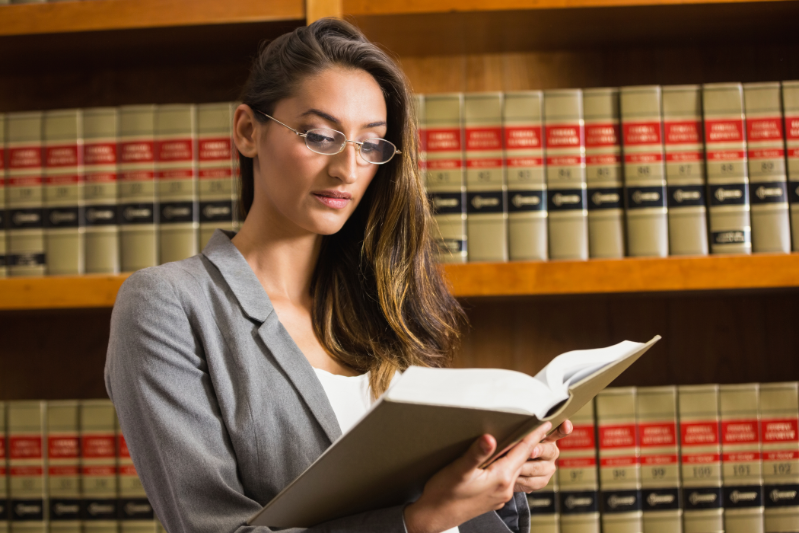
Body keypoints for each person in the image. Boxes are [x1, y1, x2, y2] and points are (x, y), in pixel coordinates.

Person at [105, 17, 573, 533]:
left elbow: (448, 507)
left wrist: (497, 474)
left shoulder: (381, 305)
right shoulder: (169, 304)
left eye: (370, 145)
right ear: (247, 131)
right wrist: (417, 521)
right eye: (320, 136)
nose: (347, 170)